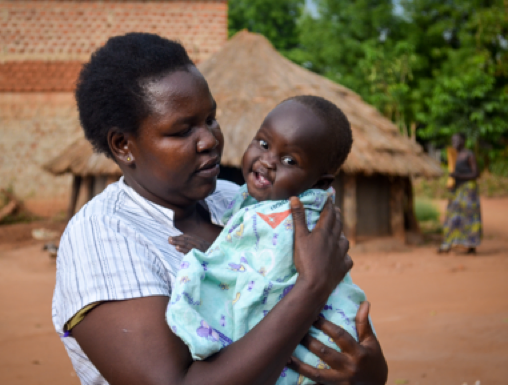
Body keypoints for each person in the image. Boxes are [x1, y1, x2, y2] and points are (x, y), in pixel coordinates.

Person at [52, 32, 388, 385]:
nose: (210, 139)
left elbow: (348, 330)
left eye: (210, 119)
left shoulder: (239, 200)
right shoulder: (103, 236)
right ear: (124, 146)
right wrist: (312, 286)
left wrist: (367, 372)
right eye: (183, 131)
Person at [166, 95, 367, 385]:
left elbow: (263, 265)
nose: (267, 161)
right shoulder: (253, 198)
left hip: (308, 337)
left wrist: (213, 251)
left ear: (320, 183)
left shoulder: (295, 216)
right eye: (263, 143)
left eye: (289, 160)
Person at [439, 133, 482, 254]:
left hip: (468, 190)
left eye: (457, 141)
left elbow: (476, 174)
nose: (454, 143)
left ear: (463, 141)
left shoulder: (469, 154)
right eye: (452, 141)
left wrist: (459, 176)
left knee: (470, 217)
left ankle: (471, 246)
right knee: (452, 216)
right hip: (457, 189)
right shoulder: (454, 156)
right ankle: (448, 244)